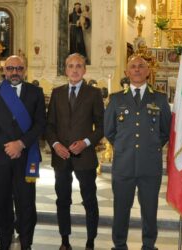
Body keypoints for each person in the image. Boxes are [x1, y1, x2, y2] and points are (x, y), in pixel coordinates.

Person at [104, 55, 171, 250]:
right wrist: (124, 147)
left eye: (141, 66)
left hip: (150, 166)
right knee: (121, 210)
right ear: (126, 72)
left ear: (148, 71)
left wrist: (151, 147)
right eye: (133, 66)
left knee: (150, 210)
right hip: (123, 165)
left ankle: (149, 245)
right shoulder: (116, 99)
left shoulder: (159, 98)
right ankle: (119, 245)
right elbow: (109, 131)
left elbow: (165, 131)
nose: (137, 69)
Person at [0, 55, 46, 250]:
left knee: (26, 202)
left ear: (25, 70)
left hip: (26, 156)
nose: (14, 72)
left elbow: (40, 123)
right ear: (4, 70)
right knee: (2, 201)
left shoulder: (36, 92)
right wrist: (9, 144)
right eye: (10, 68)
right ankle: (4, 240)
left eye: (19, 68)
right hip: (1, 156)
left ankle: (26, 242)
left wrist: (21, 143)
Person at [45, 53, 103, 250]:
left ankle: (90, 241)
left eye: (79, 66)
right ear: (65, 70)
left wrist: (86, 142)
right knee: (63, 200)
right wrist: (55, 145)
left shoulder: (94, 94)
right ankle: (64, 240)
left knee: (89, 200)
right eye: (71, 66)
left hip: (85, 157)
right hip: (61, 157)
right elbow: (49, 125)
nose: (75, 69)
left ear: (85, 69)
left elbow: (102, 126)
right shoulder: (57, 93)